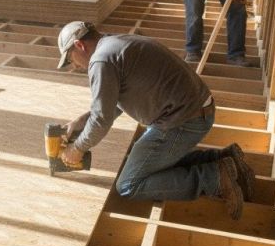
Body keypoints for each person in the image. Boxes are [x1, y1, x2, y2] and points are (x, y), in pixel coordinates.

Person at [57, 21, 255, 219]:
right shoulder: (114, 44)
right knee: (149, 162)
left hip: (184, 121)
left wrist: (78, 149)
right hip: (195, 111)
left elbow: (102, 118)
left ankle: (216, 177)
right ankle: (225, 160)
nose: (74, 66)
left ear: (79, 45)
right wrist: (79, 122)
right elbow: (112, 105)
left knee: (128, 184)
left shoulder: (101, 61)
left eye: (70, 59)